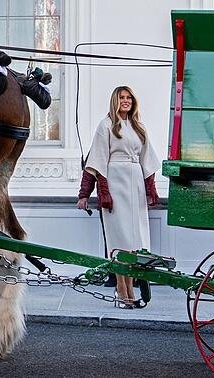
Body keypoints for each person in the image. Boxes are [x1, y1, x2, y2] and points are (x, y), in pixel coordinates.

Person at [77, 86, 160, 309]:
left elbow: (148, 162)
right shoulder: (106, 126)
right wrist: (84, 194)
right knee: (119, 242)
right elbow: (95, 162)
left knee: (134, 244)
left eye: (129, 97)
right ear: (115, 101)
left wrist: (152, 191)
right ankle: (123, 292)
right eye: (121, 98)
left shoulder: (138, 127)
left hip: (135, 184)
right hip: (115, 182)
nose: (126, 101)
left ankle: (128, 291)